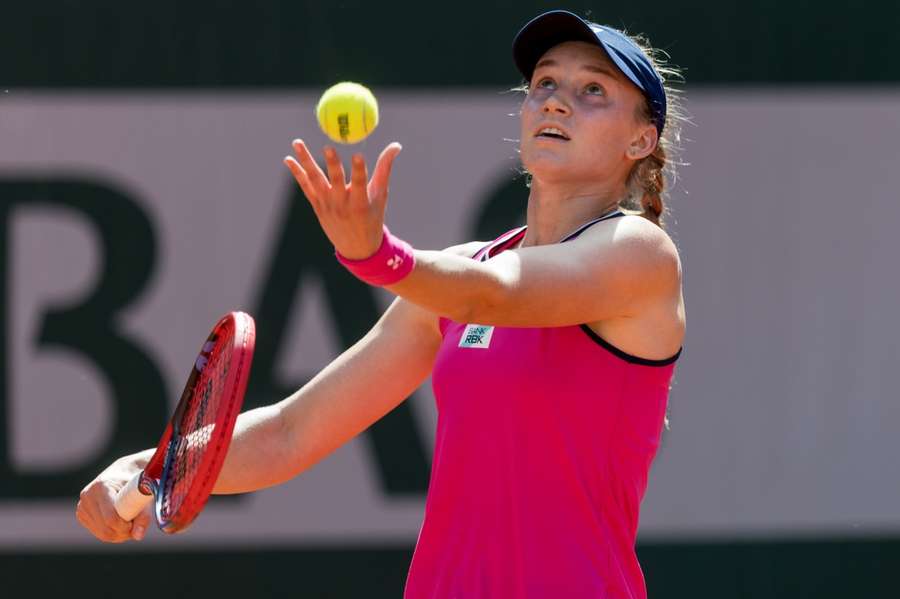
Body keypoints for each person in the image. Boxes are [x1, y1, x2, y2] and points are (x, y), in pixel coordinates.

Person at [76, 9, 686, 598]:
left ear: (642, 139)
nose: (555, 101)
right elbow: (290, 432)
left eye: (593, 91)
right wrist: (148, 464)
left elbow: (494, 295)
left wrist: (377, 255)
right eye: (545, 82)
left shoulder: (638, 254)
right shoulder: (458, 275)